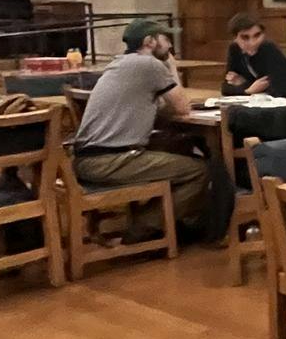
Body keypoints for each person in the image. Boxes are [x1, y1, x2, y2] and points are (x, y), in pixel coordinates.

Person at [72, 19, 219, 237]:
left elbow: (158, 107)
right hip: (111, 161)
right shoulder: (149, 64)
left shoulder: (120, 63)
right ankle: (143, 225)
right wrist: (171, 66)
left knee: (178, 148)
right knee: (199, 170)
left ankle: (169, 224)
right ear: (149, 41)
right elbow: (182, 108)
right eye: (166, 39)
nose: (170, 46)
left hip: (88, 159)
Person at [222, 12, 286, 97]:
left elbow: (281, 89)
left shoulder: (269, 48)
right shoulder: (234, 49)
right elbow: (226, 88)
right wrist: (248, 90)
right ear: (235, 38)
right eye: (245, 37)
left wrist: (245, 86)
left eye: (257, 36)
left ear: (263, 34)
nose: (252, 43)